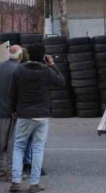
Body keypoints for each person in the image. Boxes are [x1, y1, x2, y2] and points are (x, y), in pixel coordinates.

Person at [9, 45, 66, 193]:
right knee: (38, 148)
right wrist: (53, 65)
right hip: (42, 115)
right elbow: (61, 82)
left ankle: (16, 182)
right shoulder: (47, 71)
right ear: (43, 57)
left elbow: (12, 93)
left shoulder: (19, 70)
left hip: (23, 114)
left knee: (19, 147)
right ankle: (34, 184)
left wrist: (13, 110)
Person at [0, 45, 24, 181]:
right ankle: (11, 173)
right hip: (9, 110)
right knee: (12, 143)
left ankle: (0, 169)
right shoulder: (19, 69)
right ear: (20, 56)